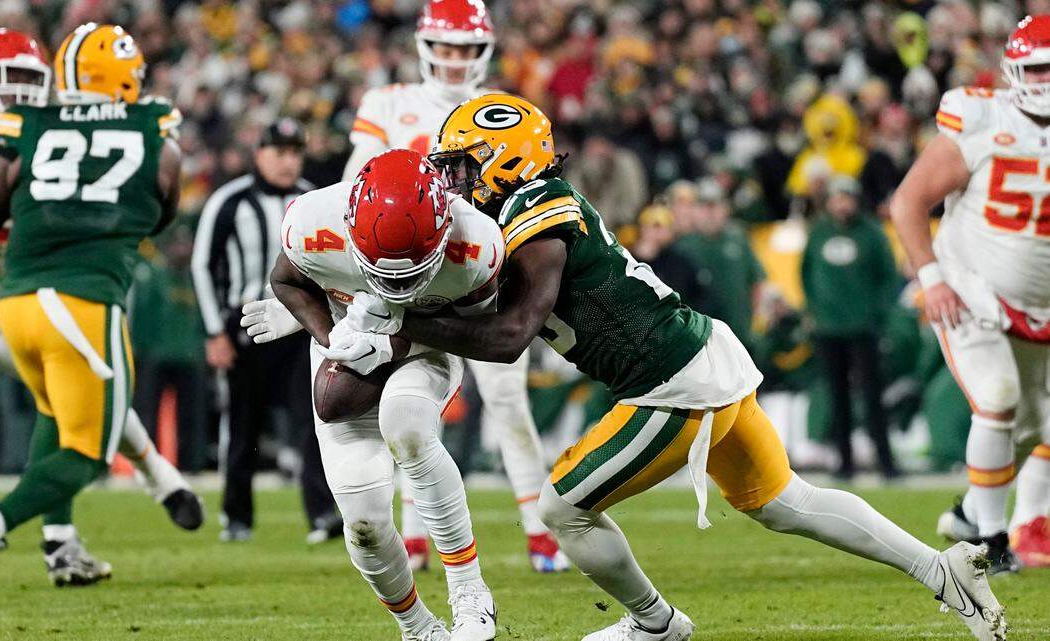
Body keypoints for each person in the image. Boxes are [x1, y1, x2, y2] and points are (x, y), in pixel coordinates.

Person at [335, 93, 1006, 641]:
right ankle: (942, 569)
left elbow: (510, 334)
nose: (454, 180)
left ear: (508, 161)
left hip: (670, 383)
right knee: (786, 503)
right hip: (695, 354)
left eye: (467, 164)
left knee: (563, 509)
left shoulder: (533, 212)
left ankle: (656, 623)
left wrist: (400, 319)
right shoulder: (521, 207)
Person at [0, 27, 201, 589]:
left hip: (8, 300)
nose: (16, 94)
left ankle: (62, 541)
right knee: (91, 423)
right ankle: (157, 479)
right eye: (6, 79)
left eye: (27, 80)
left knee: (69, 406)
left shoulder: (36, 131)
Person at [342, 0, 564, 573]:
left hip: (480, 271)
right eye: (445, 45)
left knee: (508, 401)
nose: (454, 58)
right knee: (414, 404)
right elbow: (357, 187)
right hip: (410, 275)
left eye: (465, 47)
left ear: (484, 50)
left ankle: (541, 533)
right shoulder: (389, 103)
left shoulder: (499, 110)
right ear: (423, 45)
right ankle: (416, 535)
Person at [251, 149, 498, 641]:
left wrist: (397, 338)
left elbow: (484, 332)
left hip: (427, 345)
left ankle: (470, 594)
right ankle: (417, 628)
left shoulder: (475, 245)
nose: (397, 285)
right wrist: (330, 337)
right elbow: (285, 280)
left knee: (406, 425)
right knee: (363, 521)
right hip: (348, 338)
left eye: (411, 273)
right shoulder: (311, 220)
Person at [890, 14, 1050, 573]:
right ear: (1014, 70)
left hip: (1039, 303)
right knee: (1000, 395)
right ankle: (989, 539)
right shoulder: (983, 119)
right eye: (1040, 68)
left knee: (1036, 426)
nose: (1049, 80)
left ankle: (969, 515)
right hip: (970, 288)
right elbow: (908, 201)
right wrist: (931, 279)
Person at [191, 118, 337, 544]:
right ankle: (237, 517)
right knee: (242, 425)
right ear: (260, 154)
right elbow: (203, 265)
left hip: (299, 325)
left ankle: (323, 513)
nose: (288, 161)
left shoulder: (314, 199)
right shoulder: (229, 199)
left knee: (315, 419)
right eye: (280, 152)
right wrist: (214, 332)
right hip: (246, 325)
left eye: (295, 152)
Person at [801, 175, 900, 479]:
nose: (842, 204)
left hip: (864, 328)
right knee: (837, 395)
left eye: (847, 198)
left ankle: (886, 461)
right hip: (829, 329)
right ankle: (844, 462)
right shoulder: (818, 233)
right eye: (836, 198)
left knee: (873, 396)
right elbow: (805, 275)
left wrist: (877, 315)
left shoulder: (871, 233)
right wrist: (816, 311)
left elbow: (888, 276)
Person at [673, 179, 765, 349]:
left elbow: (756, 280)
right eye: (704, 207)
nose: (710, 213)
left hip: (739, 331)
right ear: (694, 211)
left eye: (715, 206)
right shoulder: (683, 245)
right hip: (699, 336)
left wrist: (753, 318)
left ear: (725, 208)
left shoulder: (738, 237)